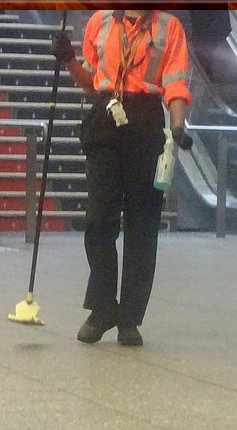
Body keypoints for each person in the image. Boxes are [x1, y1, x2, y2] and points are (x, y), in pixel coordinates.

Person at [52, 10, 194, 346]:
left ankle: (130, 318)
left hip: (145, 120)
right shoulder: (99, 22)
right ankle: (102, 309)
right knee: (98, 221)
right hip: (105, 118)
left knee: (142, 225)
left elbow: (175, 83)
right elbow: (91, 82)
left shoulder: (168, 26)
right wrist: (69, 60)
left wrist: (177, 126)